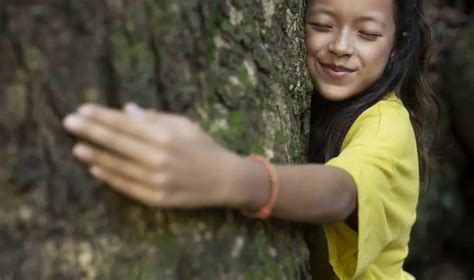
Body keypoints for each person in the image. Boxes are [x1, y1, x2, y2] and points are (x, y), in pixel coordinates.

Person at [63, 0, 439, 278]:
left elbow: (341, 193)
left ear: (396, 47)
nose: (340, 46)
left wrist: (230, 178)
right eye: (322, 24)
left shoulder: (386, 124)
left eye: (368, 34)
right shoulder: (315, 102)